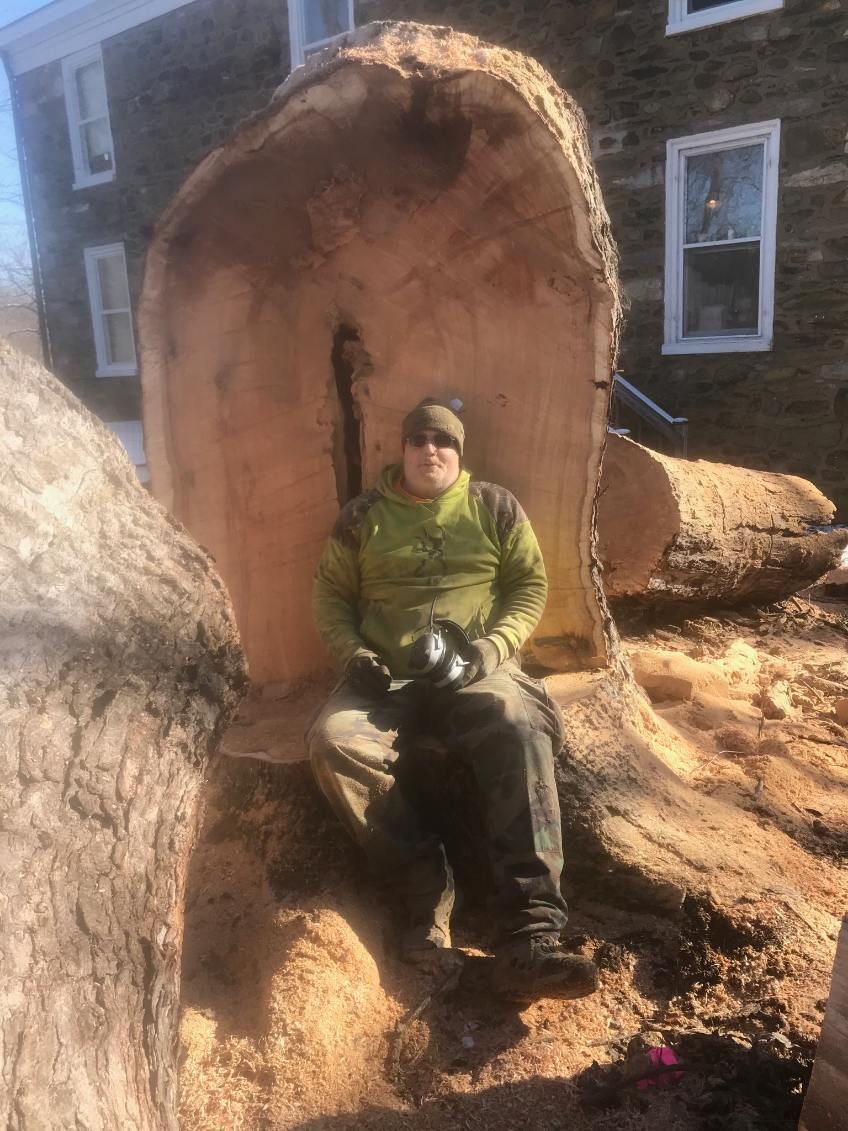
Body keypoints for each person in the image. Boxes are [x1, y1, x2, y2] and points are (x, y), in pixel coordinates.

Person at [307, 398, 599, 1002]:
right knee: (332, 742)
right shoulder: (362, 517)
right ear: (403, 449)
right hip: (382, 676)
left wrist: (490, 651)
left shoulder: (493, 507)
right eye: (418, 439)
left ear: (458, 452)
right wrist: (352, 653)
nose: (430, 449)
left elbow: (529, 585)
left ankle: (532, 935)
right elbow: (331, 595)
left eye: (443, 440)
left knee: (518, 725)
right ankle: (424, 898)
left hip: (475, 670)